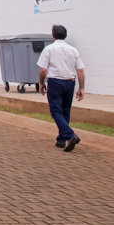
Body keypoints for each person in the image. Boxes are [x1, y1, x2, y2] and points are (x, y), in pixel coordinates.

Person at [37, 24, 86, 152]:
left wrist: (41, 83)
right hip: (70, 82)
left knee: (56, 111)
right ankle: (61, 140)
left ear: (53, 35)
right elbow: (80, 70)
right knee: (65, 111)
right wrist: (81, 88)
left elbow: (43, 70)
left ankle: (70, 135)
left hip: (55, 83)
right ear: (65, 35)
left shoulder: (49, 49)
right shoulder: (73, 50)